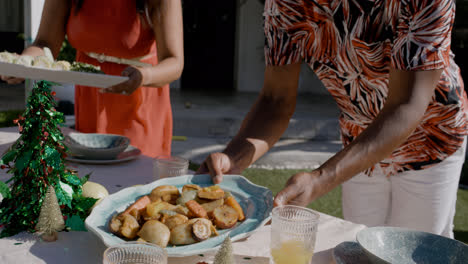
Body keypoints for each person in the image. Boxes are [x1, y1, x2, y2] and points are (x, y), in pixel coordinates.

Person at [197, 0, 468, 238]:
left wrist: (319, 179)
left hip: (431, 139)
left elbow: (406, 105)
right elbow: (275, 100)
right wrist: (235, 157)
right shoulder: (285, 4)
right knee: (358, 247)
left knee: (412, 253)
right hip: (358, 142)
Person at [1, 0, 183, 157]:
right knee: (90, 181)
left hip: (139, 103)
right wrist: (22, 64)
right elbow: (45, 43)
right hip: (90, 102)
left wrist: (144, 76)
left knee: (137, 183)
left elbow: (174, 62)